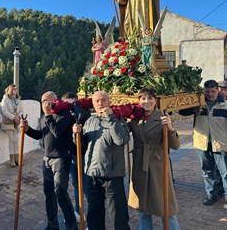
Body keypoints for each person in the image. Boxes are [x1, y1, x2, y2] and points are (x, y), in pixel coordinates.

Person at [73, 91, 130, 230]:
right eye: (97, 101)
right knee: (94, 215)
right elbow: (82, 147)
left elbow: (122, 140)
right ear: (92, 104)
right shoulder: (89, 121)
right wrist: (76, 135)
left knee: (119, 215)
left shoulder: (118, 119)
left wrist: (110, 117)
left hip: (112, 175)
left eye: (103, 100)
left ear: (109, 102)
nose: (100, 103)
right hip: (92, 175)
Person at [21, 91, 77, 230]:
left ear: (54, 100)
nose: (43, 104)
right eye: (41, 101)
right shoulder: (43, 117)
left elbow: (57, 132)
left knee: (60, 192)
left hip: (61, 158)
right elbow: (39, 134)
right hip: (46, 158)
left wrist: (48, 115)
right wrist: (27, 129)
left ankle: (71, 226)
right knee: (49, 193)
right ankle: (53, 225)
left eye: (46, 101)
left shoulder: (64, 114)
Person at [128, 88, 181, 229]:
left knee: (166, 207)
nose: (147, 102)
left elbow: (175, 145)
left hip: (158, 166)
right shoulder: (135, 118)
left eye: (150, 98)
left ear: (156, 100)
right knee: (143, 207)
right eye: (143, 99)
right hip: (140, 164)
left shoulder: (163, 117)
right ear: (139, 101)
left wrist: (170, 128)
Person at [180, 80, 227, 206]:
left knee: (225, 172)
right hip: (203, 143)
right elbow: (182, 111)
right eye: (207, 92)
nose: (210, 94)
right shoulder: (198, 104)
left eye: (213, 91)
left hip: (221, 143)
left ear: (218, 90)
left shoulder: (225, 105)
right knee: (207, 171)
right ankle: (212, 194)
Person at [61, 92, 90, 223]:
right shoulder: (64, 114)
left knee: (86, 185)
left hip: (83, 152)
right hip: (71, 153)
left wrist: (75, 106)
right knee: (76, 184)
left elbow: (83, 119)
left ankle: (91, 217)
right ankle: (79, 211)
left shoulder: (83, 111)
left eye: (71, 102)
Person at [0, 84, 23, 167]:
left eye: (16, 89)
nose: (15, 91)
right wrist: (14, 118)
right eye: (14, 89)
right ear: (10, 90)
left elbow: (22, 110)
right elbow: (4, 111)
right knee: (11, 140)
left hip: (16, 122)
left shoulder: (18, 99)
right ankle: (12, 160)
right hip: (9, 122)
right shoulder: (5, 99)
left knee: (16, 140)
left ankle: (17, 159)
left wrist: (18, 117)